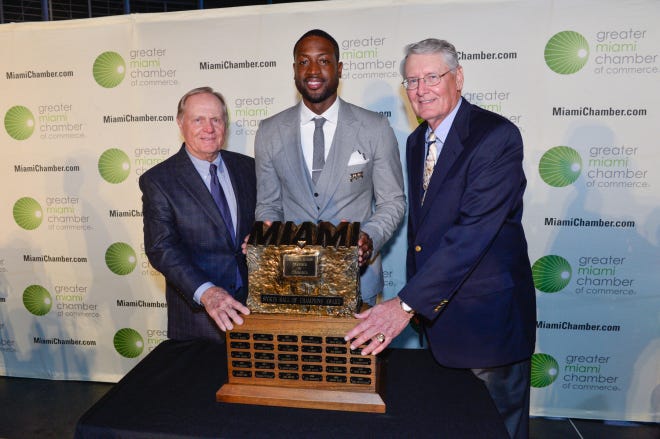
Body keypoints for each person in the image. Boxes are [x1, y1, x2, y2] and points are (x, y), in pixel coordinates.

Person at [345, 38, 537, 439]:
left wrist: (405, 304)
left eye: (432, 76)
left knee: (497, 430)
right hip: (439, 322)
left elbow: (472, 235)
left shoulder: (496, 137)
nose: (421, 89)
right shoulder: (418, 141)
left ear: (459, 78)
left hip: (487, 325)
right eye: (412, 81)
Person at [254, 29, 405, 305]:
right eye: (304, 61)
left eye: (323, 61)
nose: (313, 70)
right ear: (294, 70)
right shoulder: (269, 131)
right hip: (291, 284)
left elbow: (392, 202)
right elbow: (268, 205)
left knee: (355, 351)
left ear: (339, 68)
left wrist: (368, 239)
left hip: (359, 282)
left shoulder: (375, 127)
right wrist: (267, 237)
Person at [140, 86, 255, 342]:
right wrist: (207, 293)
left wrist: (259, 237)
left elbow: (265, 219)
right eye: (198, 119)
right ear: (181, 123)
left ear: (225, 124)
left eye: (216, 119)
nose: (209, 128)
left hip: (253, 310)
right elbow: (161, 248)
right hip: (199, 318)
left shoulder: (249, 168)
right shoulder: (159, 181)